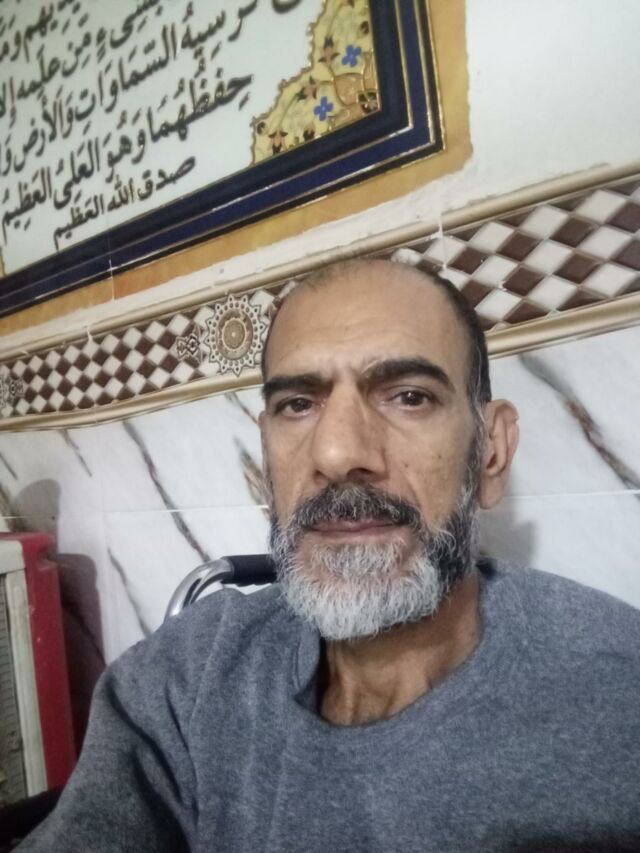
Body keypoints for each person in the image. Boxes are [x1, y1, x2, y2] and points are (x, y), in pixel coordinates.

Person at [19, 259, 640, 852]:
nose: (338, 453)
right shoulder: (185, 680)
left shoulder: (615, 694)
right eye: (298, 405)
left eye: (409, 396)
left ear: (491, 453)